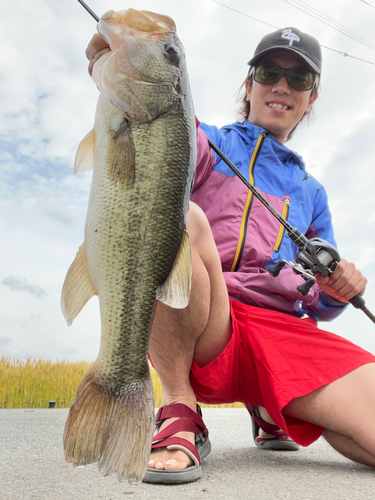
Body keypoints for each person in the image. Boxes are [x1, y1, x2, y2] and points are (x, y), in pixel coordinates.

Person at [86, 26, 375, 484]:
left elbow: (322, 302)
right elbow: (153, 138)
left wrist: (340, 288)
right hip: (206, 321)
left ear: (311, 97)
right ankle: (178, 406)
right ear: (250, 84)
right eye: (269, 71)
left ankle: (270, 405)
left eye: (298, 79)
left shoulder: (312, 193)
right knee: (179, 216)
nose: (281, 85)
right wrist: (119, 74)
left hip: (283, 332)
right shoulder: (206, 141)